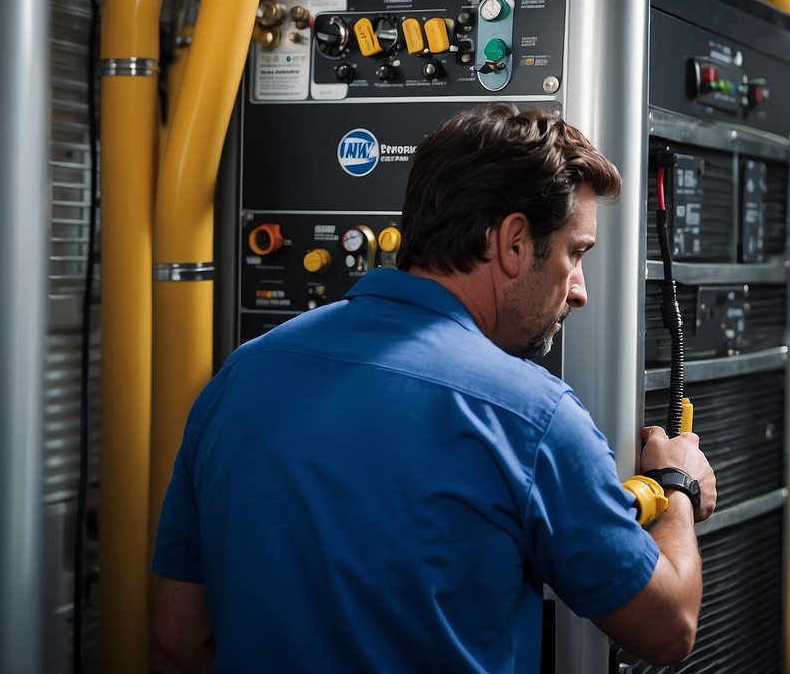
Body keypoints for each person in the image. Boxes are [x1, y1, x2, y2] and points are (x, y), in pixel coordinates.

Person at [150, 103, 717, 673]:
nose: (579, 291)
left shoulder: (240, 377)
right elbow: (668, 629)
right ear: (514, 243)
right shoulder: (532, 418)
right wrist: (678, 487)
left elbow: (179, 640)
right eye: (574, 254)